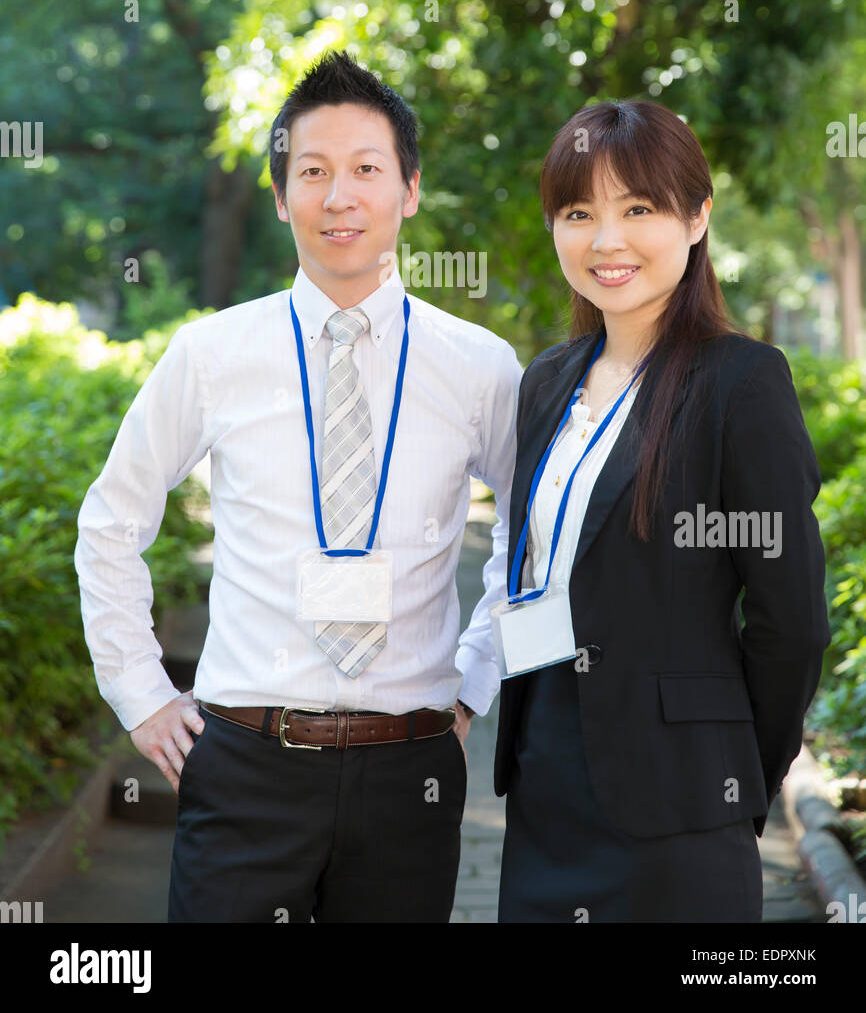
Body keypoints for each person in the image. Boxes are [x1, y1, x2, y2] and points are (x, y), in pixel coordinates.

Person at [74, 49, 522, 923]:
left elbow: (530, 537)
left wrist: (475, 681)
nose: (339, 195)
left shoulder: (479, 368)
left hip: (411, 768)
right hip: (246, 763)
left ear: (410, 188)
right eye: (312, 171)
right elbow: (112, 519)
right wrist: (140, 694)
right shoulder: (212, 355)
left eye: (366, 169)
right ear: (282, 197)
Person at [492, 98, 831, 923]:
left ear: (697, 216)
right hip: (545, 789)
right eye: (579, 213)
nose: (606, 240)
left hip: (681, 807)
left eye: (637, 208)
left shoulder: (742, 383)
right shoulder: (545, 382)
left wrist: (739, 782)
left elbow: (791, 622)